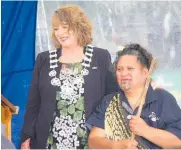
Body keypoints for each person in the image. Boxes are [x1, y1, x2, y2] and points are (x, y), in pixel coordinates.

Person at [20, 5, 118, 149]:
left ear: (78, 26)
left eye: (65, 27)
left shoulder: (100, 57)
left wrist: (145, 87)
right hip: (50, 141)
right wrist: (26, 137)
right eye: (56, 28)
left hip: (90, 140)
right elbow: (33, 103)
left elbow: (112, 96)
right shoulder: (44, 59)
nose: (60, 33)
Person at [87, 43, 181, 149]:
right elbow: (93, 140)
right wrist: (117, 145)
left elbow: (178, 144)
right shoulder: (109, 101)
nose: (123, 73)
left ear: (145, 73)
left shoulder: (163, 99)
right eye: (119, 69)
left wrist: (145, 130)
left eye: (130, 69)